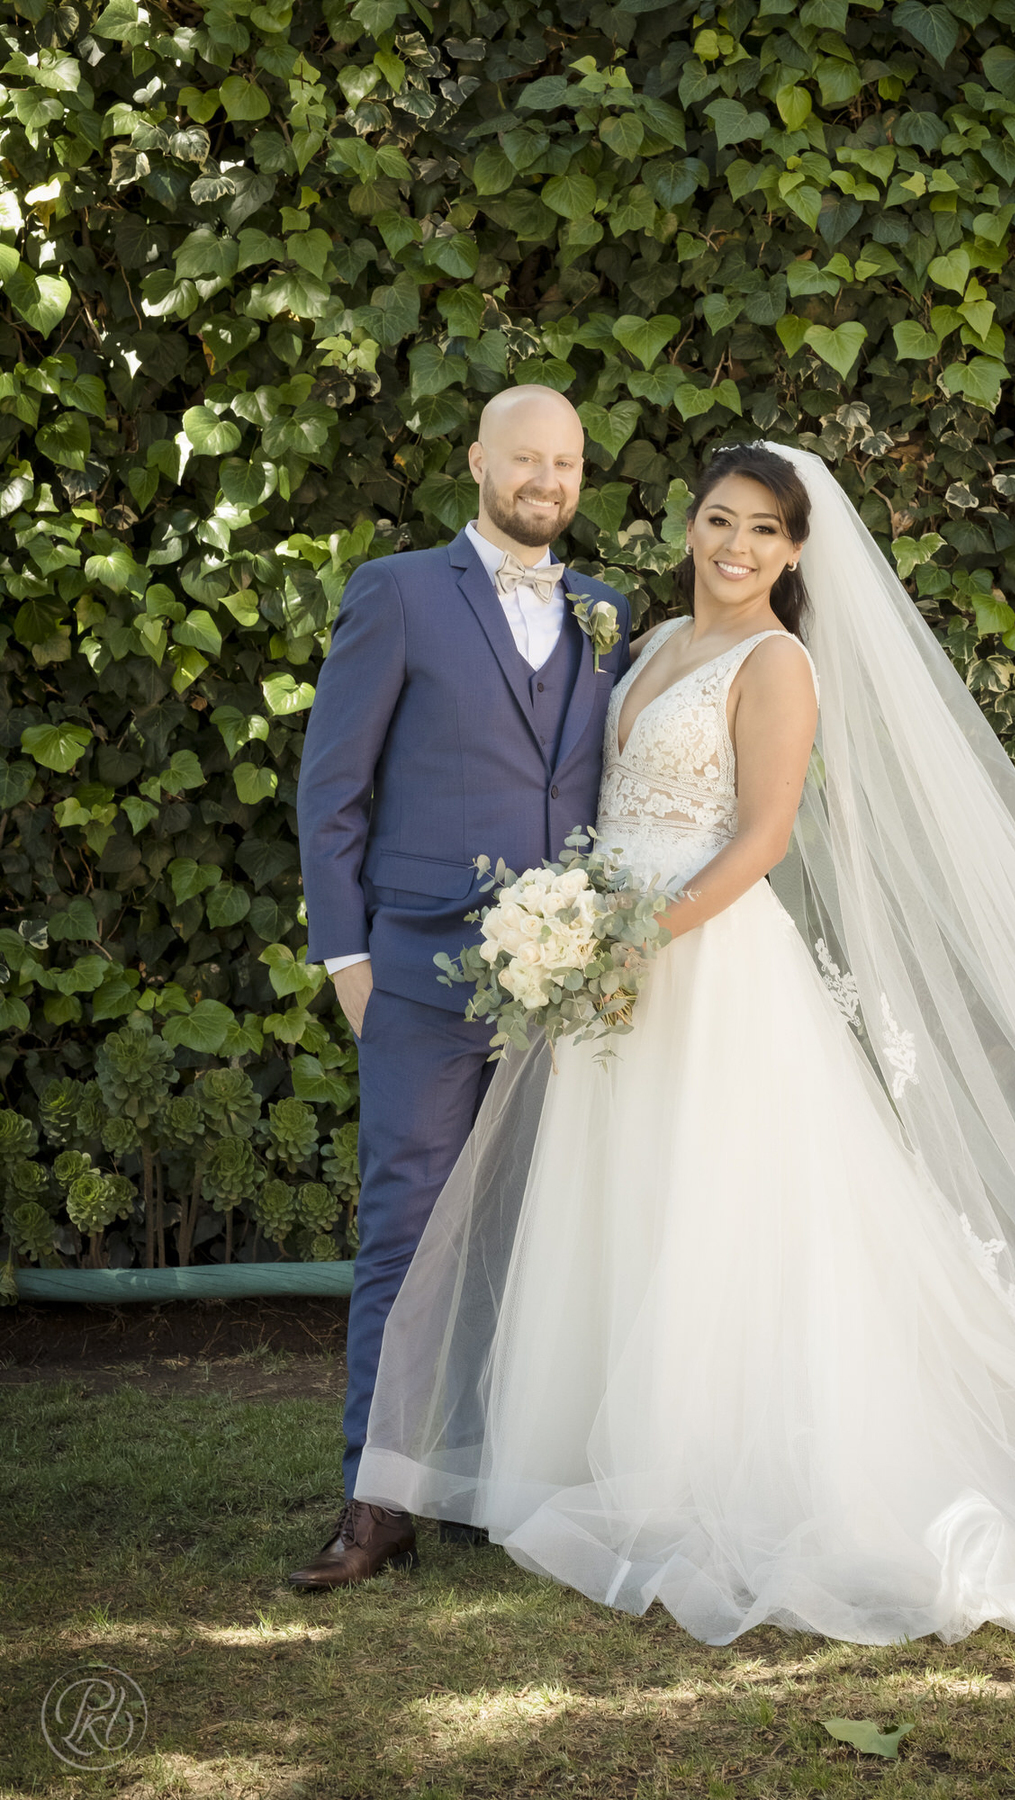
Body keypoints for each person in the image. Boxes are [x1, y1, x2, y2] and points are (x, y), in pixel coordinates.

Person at [354, 441, 1015, 1648]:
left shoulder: (778, 662)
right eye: (719, 520)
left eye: (763, 529)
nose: (736, 547)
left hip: (703, 965)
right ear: (688, 526)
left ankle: (716, 1463)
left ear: (797, 551)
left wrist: (638, 938)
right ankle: (608, 1453)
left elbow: (758, 838)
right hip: (610, 960)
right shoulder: (645, 647)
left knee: (721, 1208)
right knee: (624, 1201)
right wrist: (585, 933)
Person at [290, 386, 631, 1589]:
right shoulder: (395, 592)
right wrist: (349, 961)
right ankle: (376, 1501)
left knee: (536, 1237)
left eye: (569, 462)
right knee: (405, 1232)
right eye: (527, 456)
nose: (548, 479)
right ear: (478, 458)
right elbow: (331, 788)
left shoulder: (606, 612)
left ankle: (487, 1480)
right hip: (422, 974)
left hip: (565, 989)